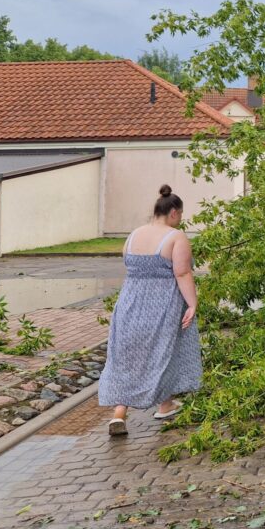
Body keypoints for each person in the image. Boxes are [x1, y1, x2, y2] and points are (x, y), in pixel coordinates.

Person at [99, 184, 202, 435]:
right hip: (162, 304)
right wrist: (192, 303)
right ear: (174, 213)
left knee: (126, 356)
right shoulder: (176, 237)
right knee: (163, 351)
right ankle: (164, 405)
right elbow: (182, 271)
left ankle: (120, 414)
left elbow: (128, 264)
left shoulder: (133, 235)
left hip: (129, 304)